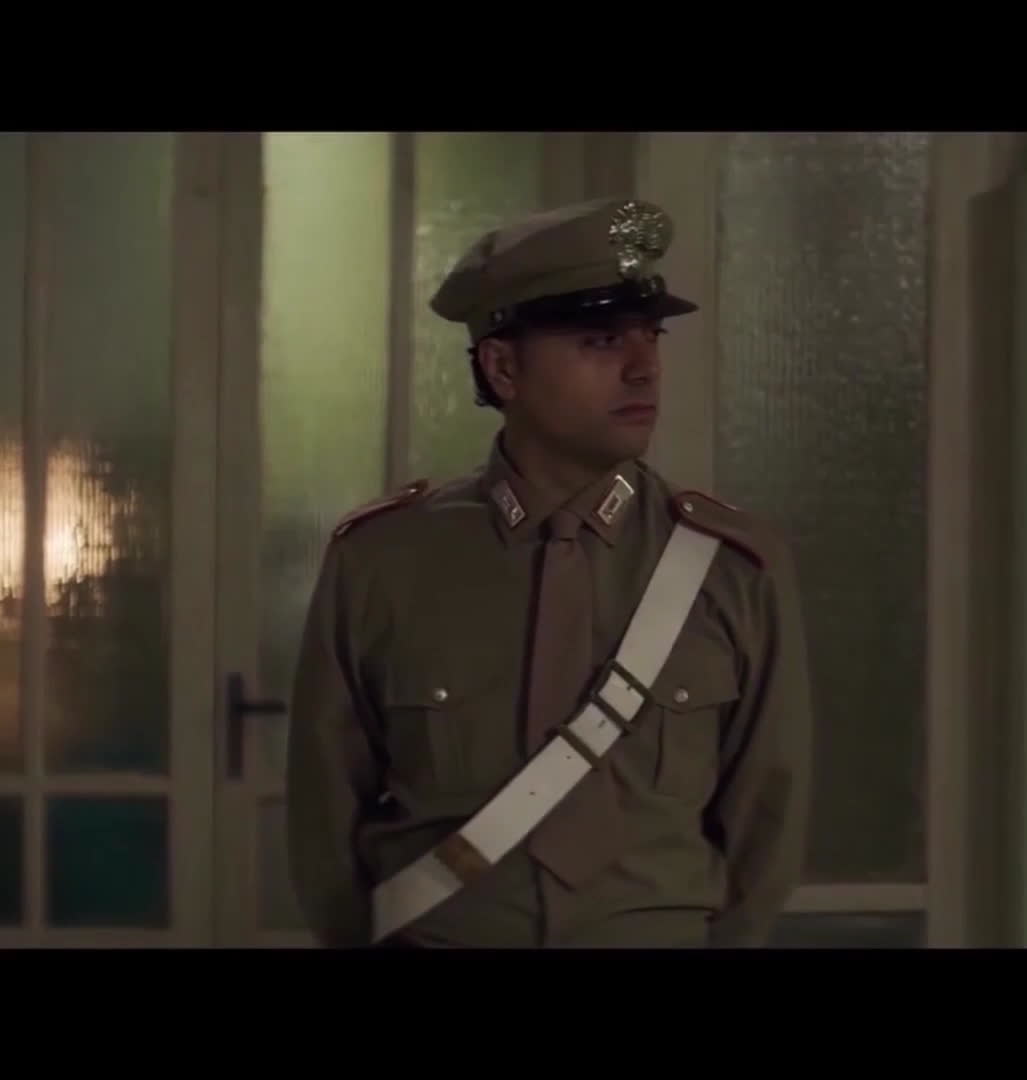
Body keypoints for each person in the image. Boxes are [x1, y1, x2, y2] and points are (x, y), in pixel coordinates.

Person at [284, 196, 814, 948]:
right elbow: (325, 817)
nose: (644, 368)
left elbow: (766, 825)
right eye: (601, 340)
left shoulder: (731, 568)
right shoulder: (383, 561)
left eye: (651, 337)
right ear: (503, 368)